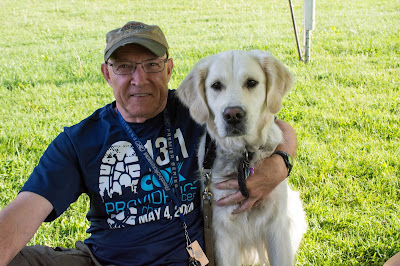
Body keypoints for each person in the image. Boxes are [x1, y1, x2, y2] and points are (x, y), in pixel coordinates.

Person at [0, 21, 297, 265]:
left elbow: (272, 125)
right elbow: (22, 213)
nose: (139, 79)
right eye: (124, 66)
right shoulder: (80, 141)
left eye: (151, 65)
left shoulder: (196, 114)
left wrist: (280, 163)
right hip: (100, 260)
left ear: (168, 69)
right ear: (107, 74)